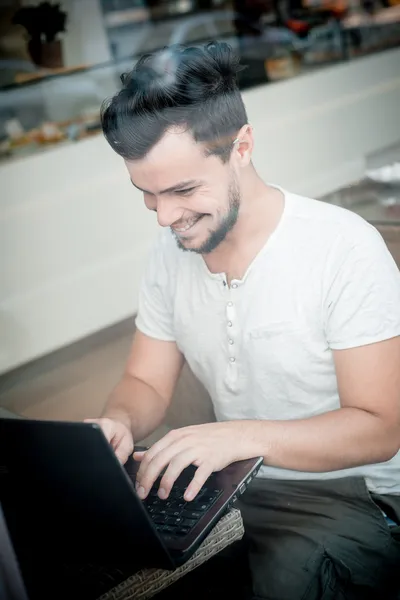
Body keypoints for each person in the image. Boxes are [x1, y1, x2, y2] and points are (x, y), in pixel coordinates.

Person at [88, 42, 400, 599]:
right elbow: (144, 383)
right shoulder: (168, 253)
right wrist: (118, 423)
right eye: (147, 194)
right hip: (231, 489)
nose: (165, 216)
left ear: (242, 146)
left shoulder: (342, 246)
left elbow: (380, 427)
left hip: (350, 494)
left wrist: (236, 438)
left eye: (183, 190)